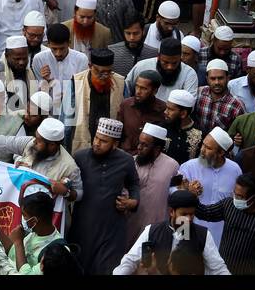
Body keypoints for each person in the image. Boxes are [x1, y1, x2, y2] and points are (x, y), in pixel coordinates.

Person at [70, 117, 139, 274]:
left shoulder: (126, 161)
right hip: (83, 227)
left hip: (111, 229)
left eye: (103, 141)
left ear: (115, 144)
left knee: (106, 269)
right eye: (96, 138)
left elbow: (134, 184)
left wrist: (132, 202)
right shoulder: (80, 157)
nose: (96, 143)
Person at [113, 188, 230, 275]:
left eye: (192, 214)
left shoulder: (202, 235)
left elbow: (218, 268)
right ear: (171, 212)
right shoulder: (152, 231)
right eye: (184, 214)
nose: (188, 219)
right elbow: (130, 260)